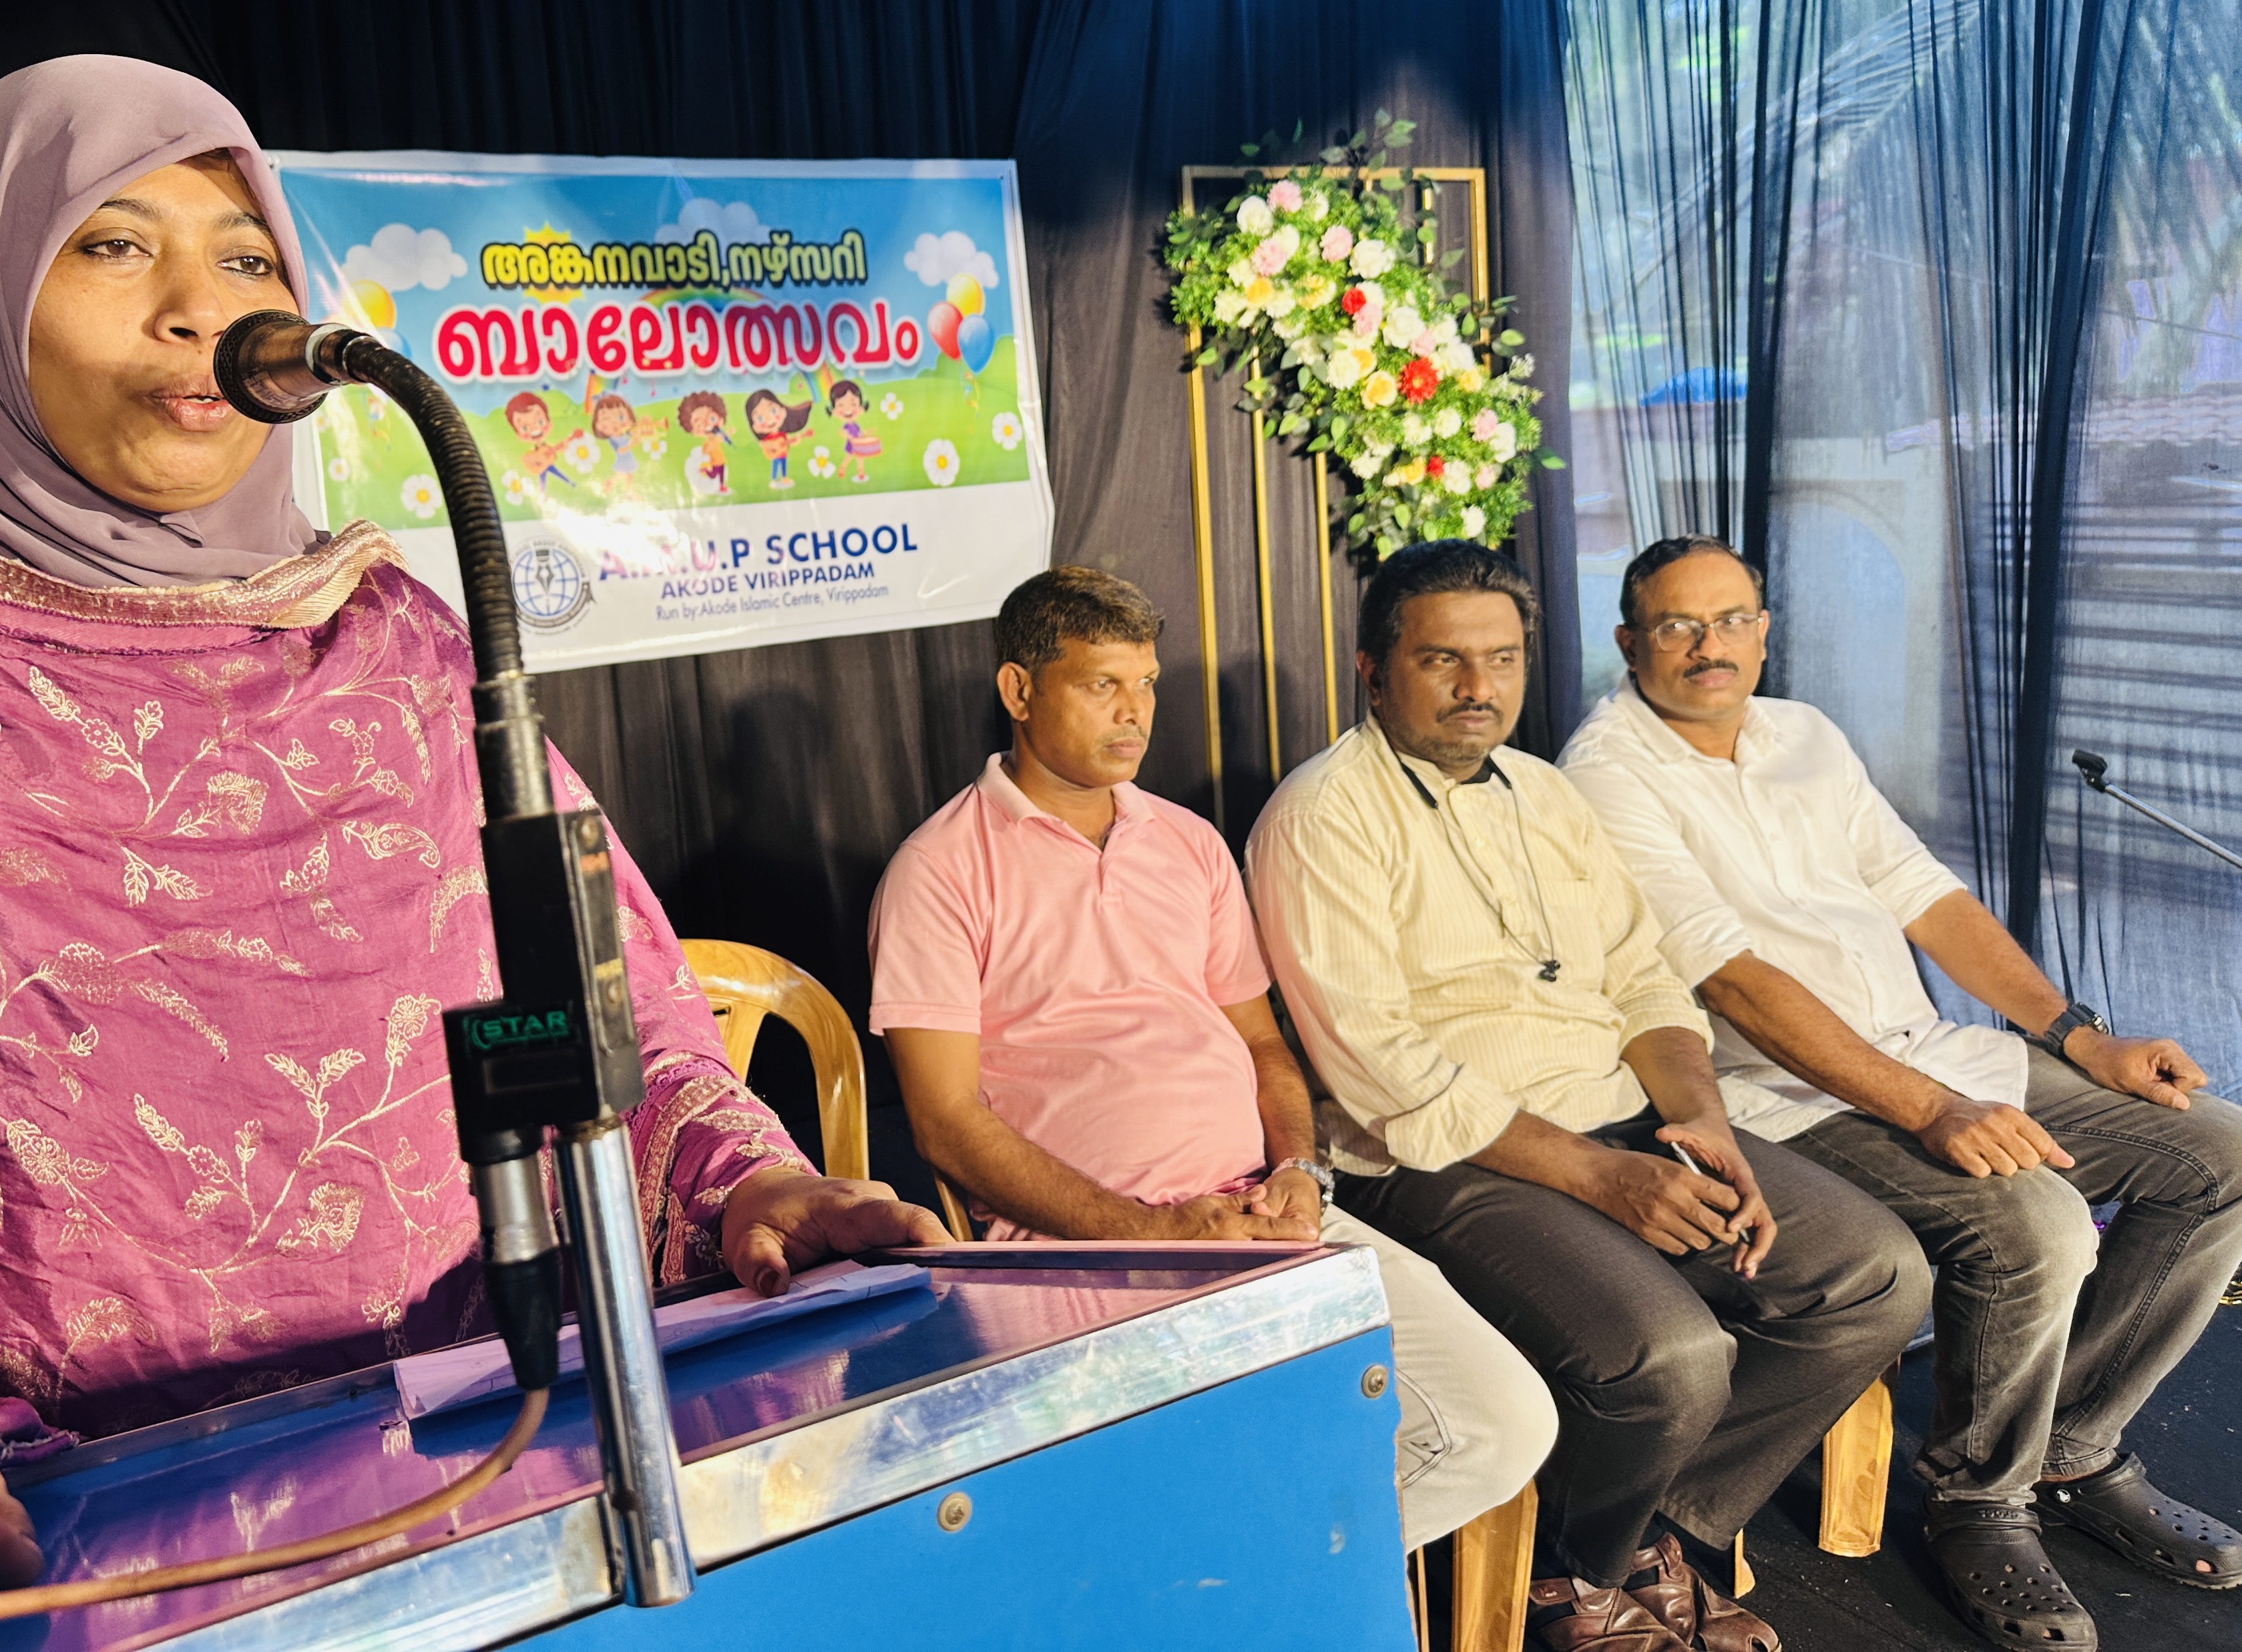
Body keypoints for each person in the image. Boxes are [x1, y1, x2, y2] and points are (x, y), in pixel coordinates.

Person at [0, 57, 940, 1647]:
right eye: (112, 245)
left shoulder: (396, 648)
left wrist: (739, 1183)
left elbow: (596, 1029)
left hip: (499, 1533)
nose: (197, 311)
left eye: (245, 257)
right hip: (59, 1578)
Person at [1560, 534, 2242, 1648]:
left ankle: (2068, 1447)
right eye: (1678, 626)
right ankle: (1979, 1502)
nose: (1709, 647)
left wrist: (2079, 1038)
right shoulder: (1602, 772)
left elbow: (1926, 894)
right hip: (1784, 1095)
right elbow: (1729, 977)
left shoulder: (1805, 734)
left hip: (1929, 1051)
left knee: (2220, 1154)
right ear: (1631, 642)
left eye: (1731, 621)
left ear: (1764, 630)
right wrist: (1931, 1110)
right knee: (2037, 1222)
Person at [1249, 540, 1930, 1652]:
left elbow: (1648, 979)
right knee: (1671, 1360)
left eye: (1502, 659)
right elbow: (1386, 1071)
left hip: (1621, 1116)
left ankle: (1642, 1534)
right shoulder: (1323, 814)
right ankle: (1571, 1574)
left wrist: (1700, 1119)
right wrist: (1604, 1178)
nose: (1479, 687)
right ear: (1372, 671)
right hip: (1443, 1159)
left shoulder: (1547, 792)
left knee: (1872, 1275)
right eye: (1442, 660)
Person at [869, 566, 1555, 1551]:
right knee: (1220, 1474)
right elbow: (944, 1123)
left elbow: (1264, 1046)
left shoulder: (1187, 844)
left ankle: (1251, 1584)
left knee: (1505, 1420)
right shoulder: (937, 869)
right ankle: (1239, 1584)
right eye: (1102, 685)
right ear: (1019, 690)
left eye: (1147, 684)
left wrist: (1301, 1172)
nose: (1135, 713)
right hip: (1085, 1256)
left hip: (1263, 1217)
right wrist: (1148, 1231)